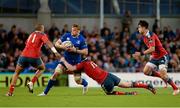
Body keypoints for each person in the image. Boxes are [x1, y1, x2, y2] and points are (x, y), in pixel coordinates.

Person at [6, 24, 61, 96]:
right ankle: (32, 82)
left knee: (16, 73)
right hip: (34, 56)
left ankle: (10, 92)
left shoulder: (31, 34)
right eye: (43, 28)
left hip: (23, 55)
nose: (44, 29)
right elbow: (49, 43)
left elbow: (27, 43)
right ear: (41, 29)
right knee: (42, 68)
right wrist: (55, 52)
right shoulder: (42, 34)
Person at [59, 57, 156, 96]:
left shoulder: (82, 64)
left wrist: (63, 61)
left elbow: (72, 68)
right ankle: (147, 86)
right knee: (128, 84)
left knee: (109, 93)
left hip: (105, 81)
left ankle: (129, 94)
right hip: (109, 75)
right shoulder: (88, 61)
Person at [38, 24, 88, 96]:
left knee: (78, 80)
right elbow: (56, 44)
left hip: (76, 62)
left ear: (78, 31)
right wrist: (63, 47)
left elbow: (86, 52)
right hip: (65, 60)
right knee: (56, 73)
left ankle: (85, 84)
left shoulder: (81, 39)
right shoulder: (66, 35)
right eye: (72, 29)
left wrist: (75, 50)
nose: (72, 31)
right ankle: (45, 92)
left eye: (74, 30)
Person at [133, 20, 179, 95]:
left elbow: (152, 48)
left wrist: (141, 53)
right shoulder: (144, 37)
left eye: (139, 27)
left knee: (163, 74)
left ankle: (176, 88)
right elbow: (152, 49)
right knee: (146, 71)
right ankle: (161, 77)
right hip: (155, 56)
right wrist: (151, 55)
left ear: (144, 28)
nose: (138, 29)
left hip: (162, 56)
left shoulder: (150, 35)